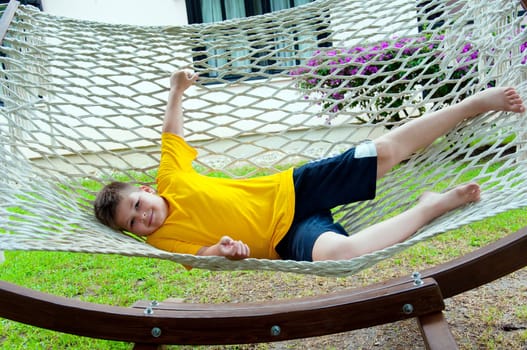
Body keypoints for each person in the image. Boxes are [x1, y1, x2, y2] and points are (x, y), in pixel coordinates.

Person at [94, 69, 525, 263]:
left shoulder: (171, 177)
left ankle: (472, 104)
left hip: (295, 189)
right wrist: (221, 251)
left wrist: (177, 90)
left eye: (135, 205)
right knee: (340, 255)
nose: (142, 218)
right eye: (133, 224)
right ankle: (430, 205)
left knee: (386, 152)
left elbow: (172, 133)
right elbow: (200, 255)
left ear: (145, 189)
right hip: (286, 237)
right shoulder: (163, 242)